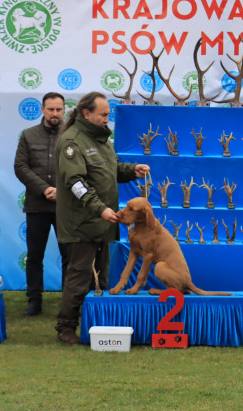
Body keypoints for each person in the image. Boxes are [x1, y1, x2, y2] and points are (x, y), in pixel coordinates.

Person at [54, 92, 149, 344]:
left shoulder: (102, 140)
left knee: (102, 276)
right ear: (87, 114)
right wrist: (99, 208)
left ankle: (94, 325)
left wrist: (132, 171)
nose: (108, 118)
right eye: (103, 114)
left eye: (108, 114)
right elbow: (75, 183)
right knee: (80, 274)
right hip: (82, 222)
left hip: (104, 222)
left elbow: (112, 169)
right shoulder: (71, 142)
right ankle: (65, 328)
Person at [13, 92, 69, 316]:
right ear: (43, 109)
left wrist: (62, 191)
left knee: (70, 257)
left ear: (64, 110)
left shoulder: (73, 135)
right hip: (37, 206)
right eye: (50, 109)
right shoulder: (28, 135)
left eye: (58, 109)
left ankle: (69, 301)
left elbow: (80, 169)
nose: (54, 113)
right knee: (35, 256)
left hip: (66, 208)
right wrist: (44, 189)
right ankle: (34, 302)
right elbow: (20, 167)